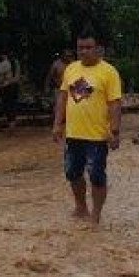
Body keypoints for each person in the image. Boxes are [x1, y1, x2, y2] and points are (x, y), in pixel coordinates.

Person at [52, 34, 122, 227]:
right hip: (73, 134)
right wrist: (57, 124)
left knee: (96, 175)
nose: (83, 51)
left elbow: (115, 103)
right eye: (80, 47)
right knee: (72, 173)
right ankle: (81, 207)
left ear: (98, 48)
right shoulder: (71, 69)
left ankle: (96, 215)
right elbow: (63, 98)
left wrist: (115, 132)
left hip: (98, 136)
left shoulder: (109, 72)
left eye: (88, 47)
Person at [0, 53, 21, 127]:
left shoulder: (3, 64)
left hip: (7, 86)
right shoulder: (16, 62)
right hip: (15, 85)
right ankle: (13, 121)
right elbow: (18, 76)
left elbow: (1, 78)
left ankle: (10, 121)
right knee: (13, 104)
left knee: (7, 104)